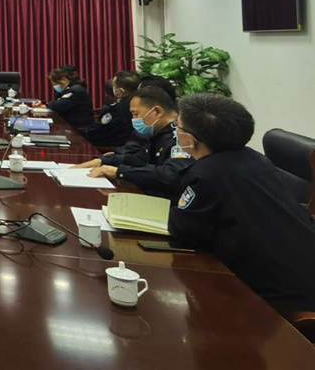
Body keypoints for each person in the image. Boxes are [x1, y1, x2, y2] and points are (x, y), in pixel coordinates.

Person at [168, 94, 315, 317]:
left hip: (270, 304)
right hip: (301, 281)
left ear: (190, 138)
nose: (175, 131)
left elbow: (184, 233)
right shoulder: (256, 159)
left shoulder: (206, 174)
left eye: (177, 126)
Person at [72, 86, 193, 198]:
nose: (134, 120)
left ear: (157, 111)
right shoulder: (158, 132)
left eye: (136, 114)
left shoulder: (181, 135)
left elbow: (170, 174)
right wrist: (103, 161)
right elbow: (138, 159)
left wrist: (119, 172)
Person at [83, 71, 139, 149]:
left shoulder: (117, 109)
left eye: (114, 85)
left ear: (121, 91)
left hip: (111, 147)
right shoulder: (140, 103)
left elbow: (97, 130)